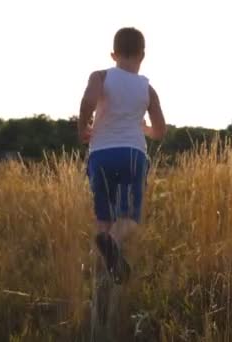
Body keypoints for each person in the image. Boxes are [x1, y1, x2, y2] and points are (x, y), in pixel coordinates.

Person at [78, 27, 167, 284]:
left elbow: (88, 102)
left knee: (103, 216)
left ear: (113, 54)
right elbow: (160, 131)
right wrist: (145, 128)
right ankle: (112, 242)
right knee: (128, 217)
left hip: (101, 154)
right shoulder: (147, 89)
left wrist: (84, 126)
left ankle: (105, 276)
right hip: (132, 154)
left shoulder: (101, 76)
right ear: (142, 55)